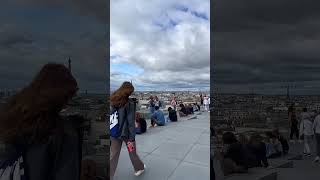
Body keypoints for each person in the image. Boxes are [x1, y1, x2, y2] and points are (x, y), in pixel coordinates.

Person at [0, 63, 84, 180]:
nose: (66, 103)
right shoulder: (63, 132)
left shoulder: (15, 121)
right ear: (58, 95)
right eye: (66, 97)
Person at [110, 82, 145, 179]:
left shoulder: (113, 99)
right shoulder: (129, 103)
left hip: (114, 131)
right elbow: (130, 122)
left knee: (113, 155)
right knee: (132, 152)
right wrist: (132, 138)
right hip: (126, 133)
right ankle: (139, 168)